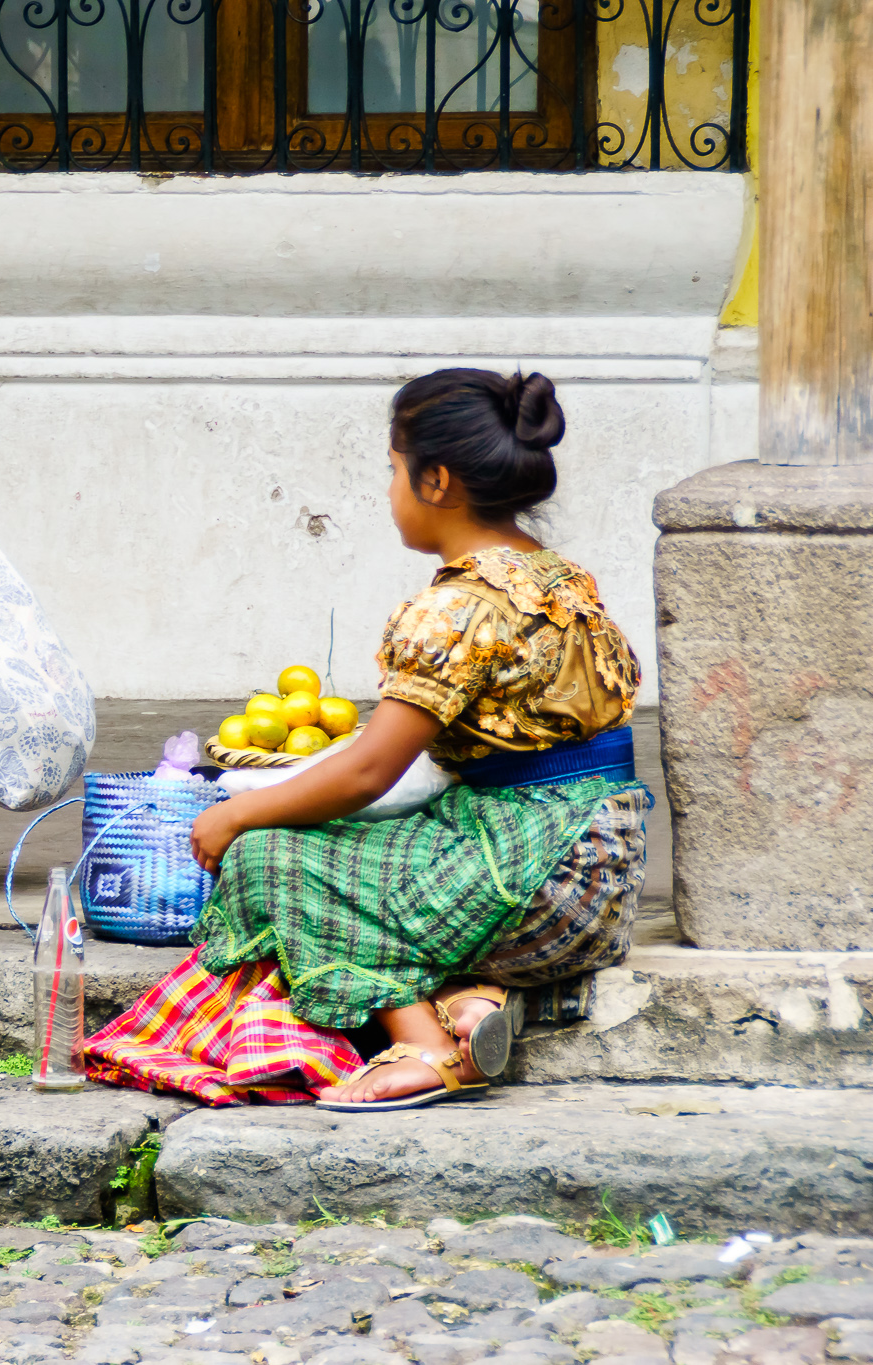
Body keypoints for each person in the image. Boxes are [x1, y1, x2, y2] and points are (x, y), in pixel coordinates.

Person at [84, 369, 646, 1112]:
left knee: (269, 856)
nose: (389, 490)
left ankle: (427, 1045)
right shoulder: (560, 579)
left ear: (437, 480)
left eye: (392, 471)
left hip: (535, 875)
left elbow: (366, 773)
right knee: (349, 844)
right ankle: (471, 1002)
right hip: (605, 865)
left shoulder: (452, 610)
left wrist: (235, 813)